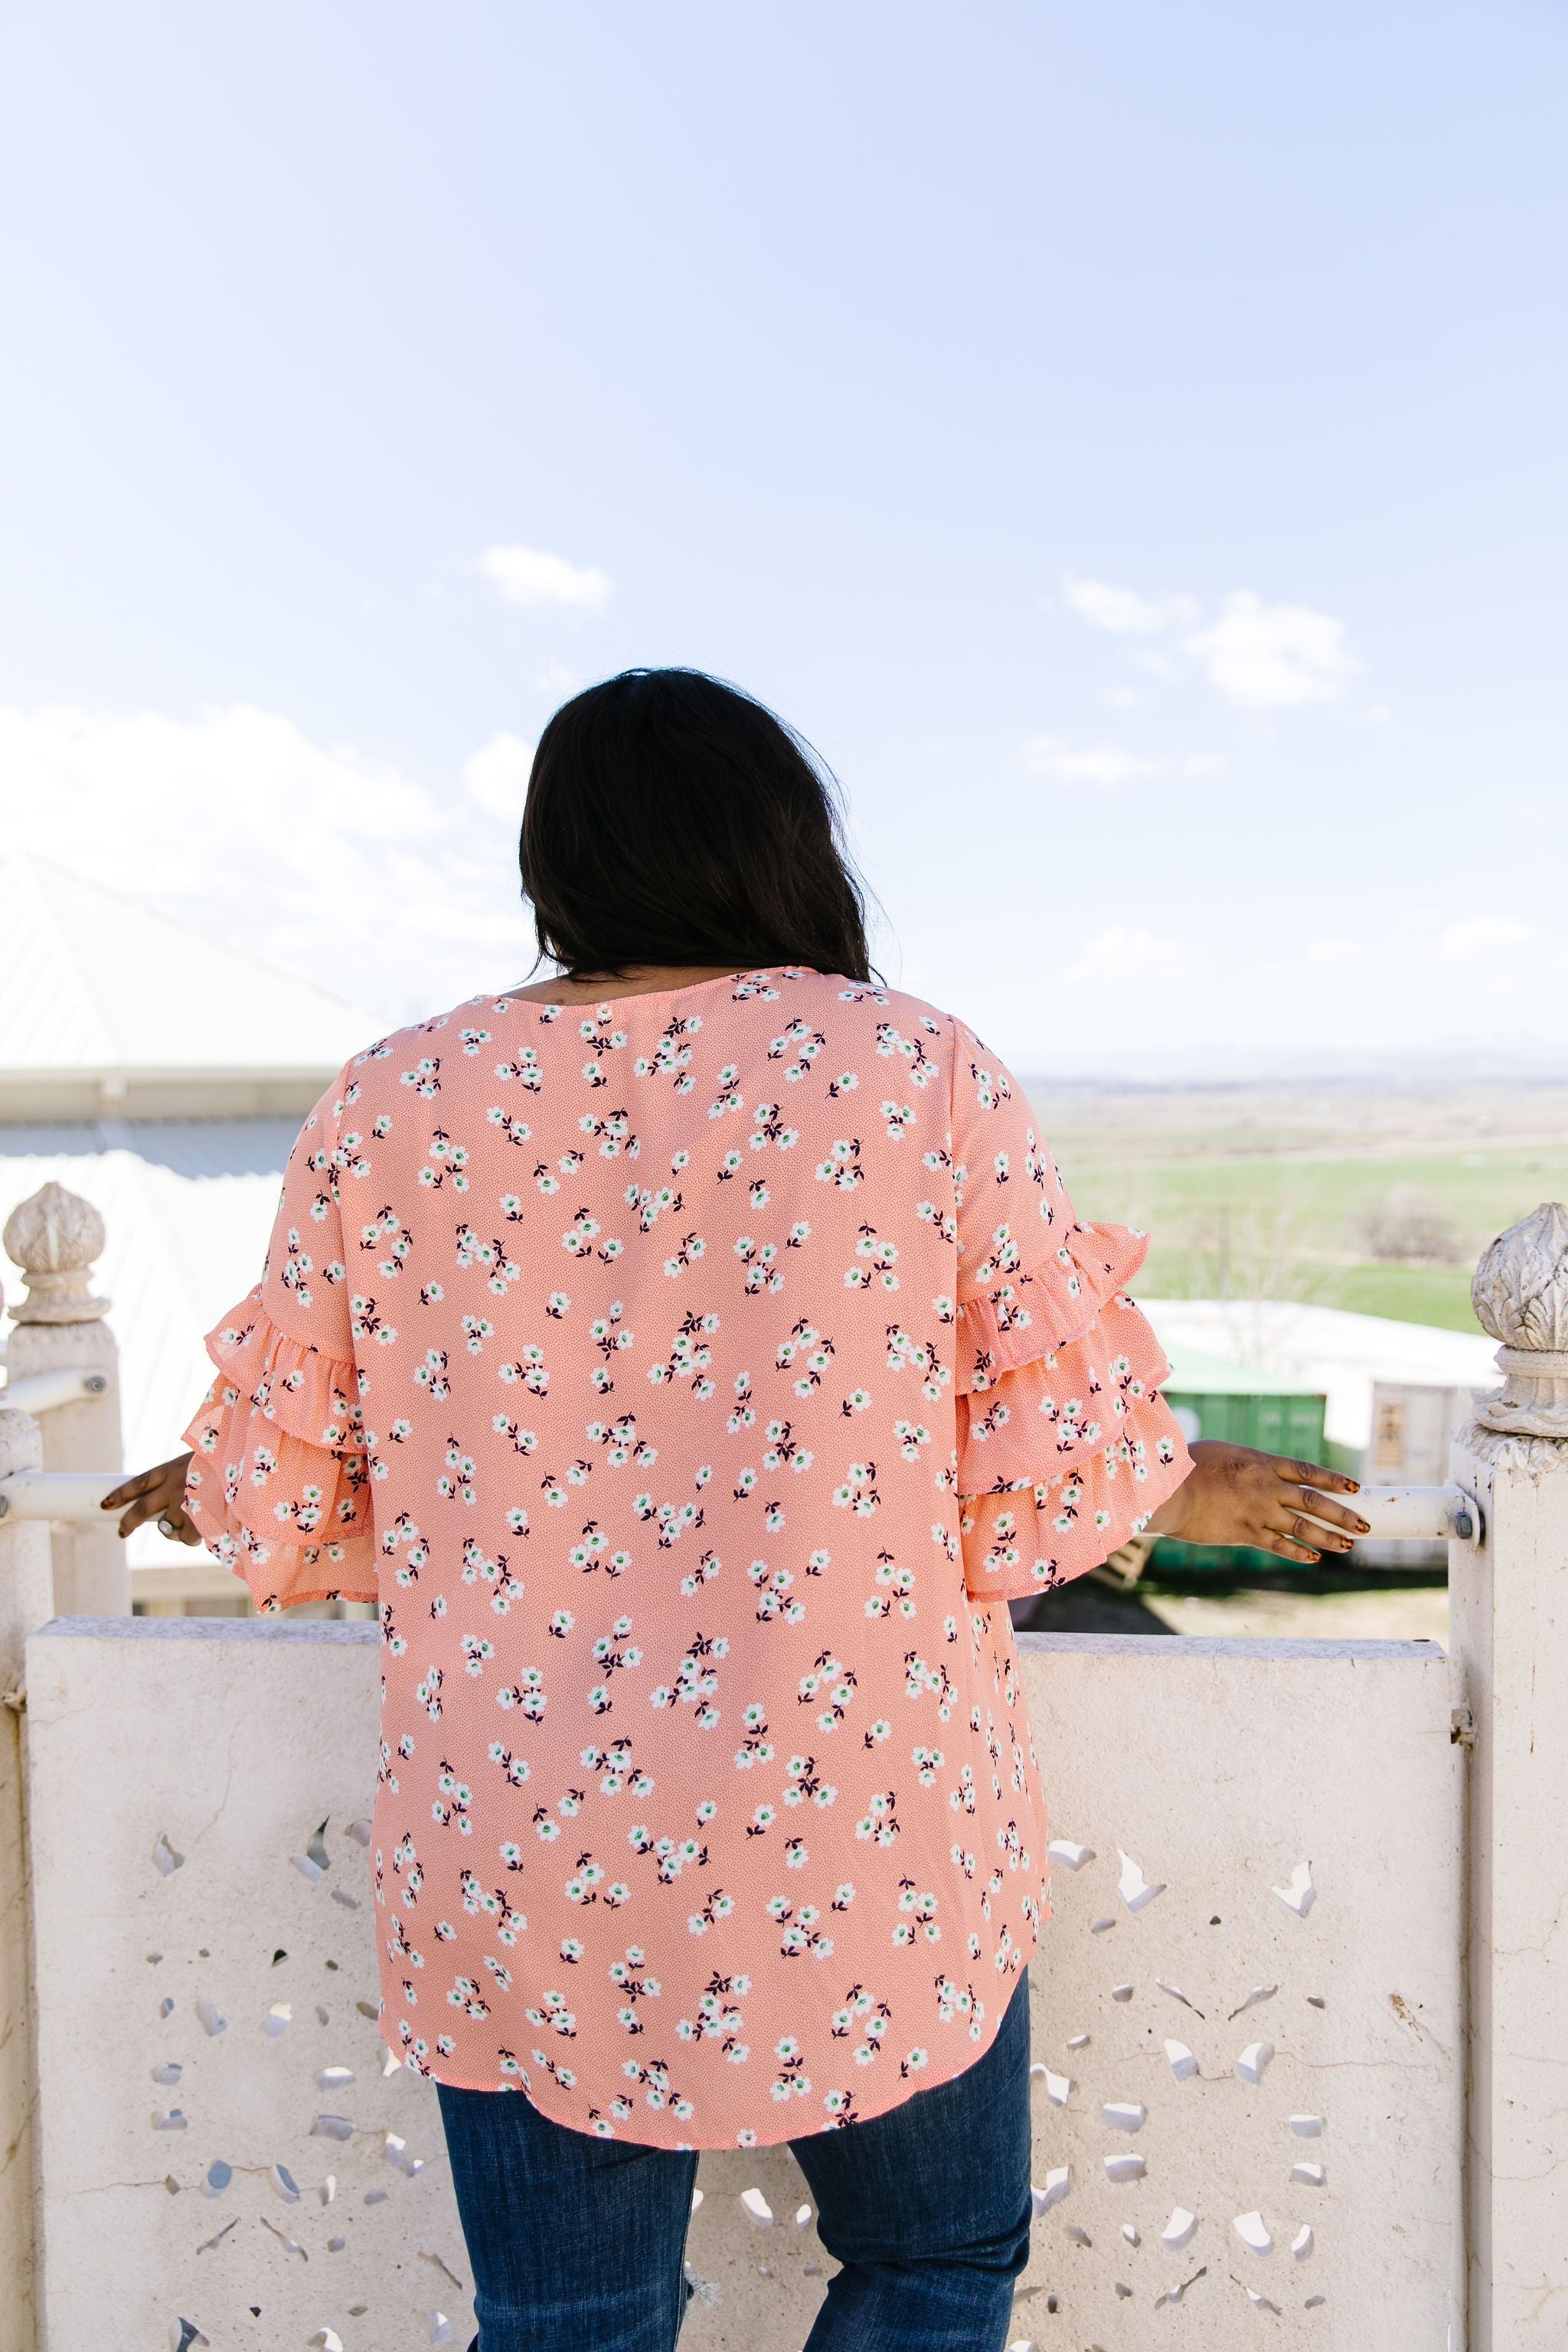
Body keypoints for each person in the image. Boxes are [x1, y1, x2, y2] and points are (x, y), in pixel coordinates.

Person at [103, 668, 1368, 2352]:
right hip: (860, 1822)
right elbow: (1052, 1467)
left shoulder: (389, 1101)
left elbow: (278, 1491)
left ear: (552, 863)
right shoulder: (915, 1071)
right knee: (931, 2265)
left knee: (571, 2324)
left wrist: (326, 1495)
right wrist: (1143, 1485)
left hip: (527, 1836)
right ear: (788, 844)